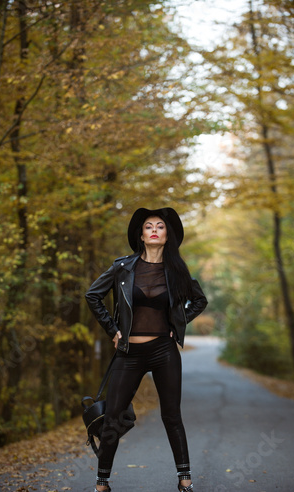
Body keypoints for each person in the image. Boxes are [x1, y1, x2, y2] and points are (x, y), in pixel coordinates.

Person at [85, 207, 208, 492]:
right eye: (148, 226)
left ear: (167, 236)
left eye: (160, 226)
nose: (154, 229)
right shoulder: (122, 267)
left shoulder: (176, 270)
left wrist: (177, 324)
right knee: (113, 415)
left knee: (171, 415)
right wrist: (113, 330)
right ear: (141, 235)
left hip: (164, 350)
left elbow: (199, 300)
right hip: (129, 353)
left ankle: (185, 480)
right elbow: (93, 295)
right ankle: (102, 483)